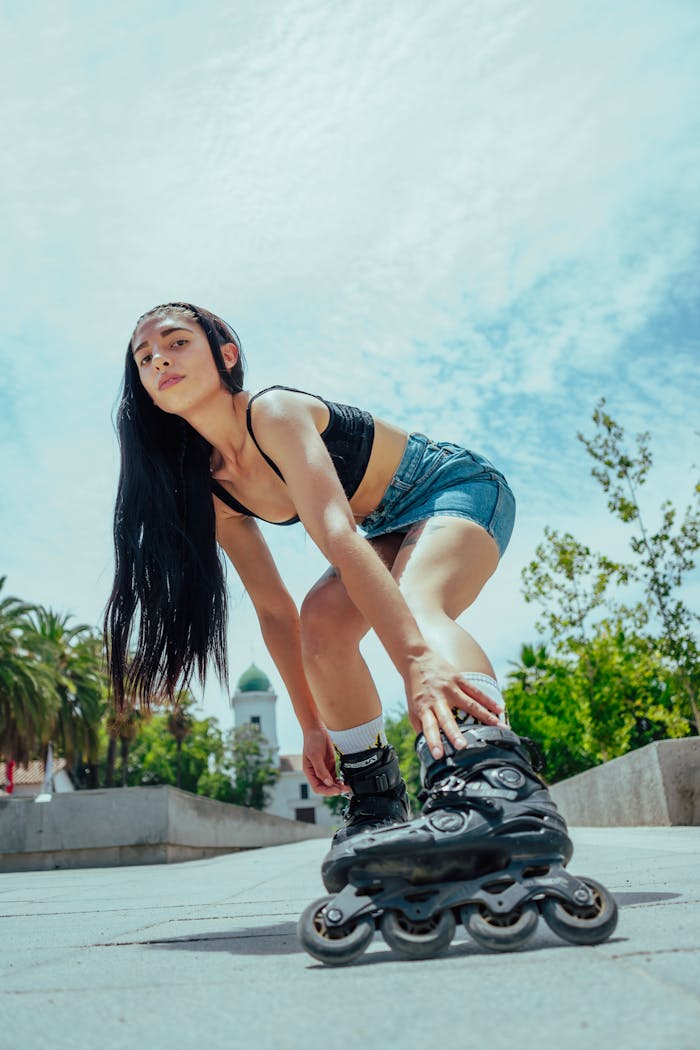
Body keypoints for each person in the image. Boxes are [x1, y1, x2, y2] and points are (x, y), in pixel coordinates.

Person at [105, 302, 516, 842]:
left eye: (177, 342)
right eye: (144, 357)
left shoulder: (272, 412)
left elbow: (338, 534)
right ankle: (377, 802)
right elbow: (275, 610)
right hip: (386, 527)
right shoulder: (213, 488)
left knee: (417, 606)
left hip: (454, 487)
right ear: (147, 391)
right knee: (320, 620)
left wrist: (416, 661)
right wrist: (313, 724)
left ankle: (491, 781)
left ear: (227, 356)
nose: (159, 359)